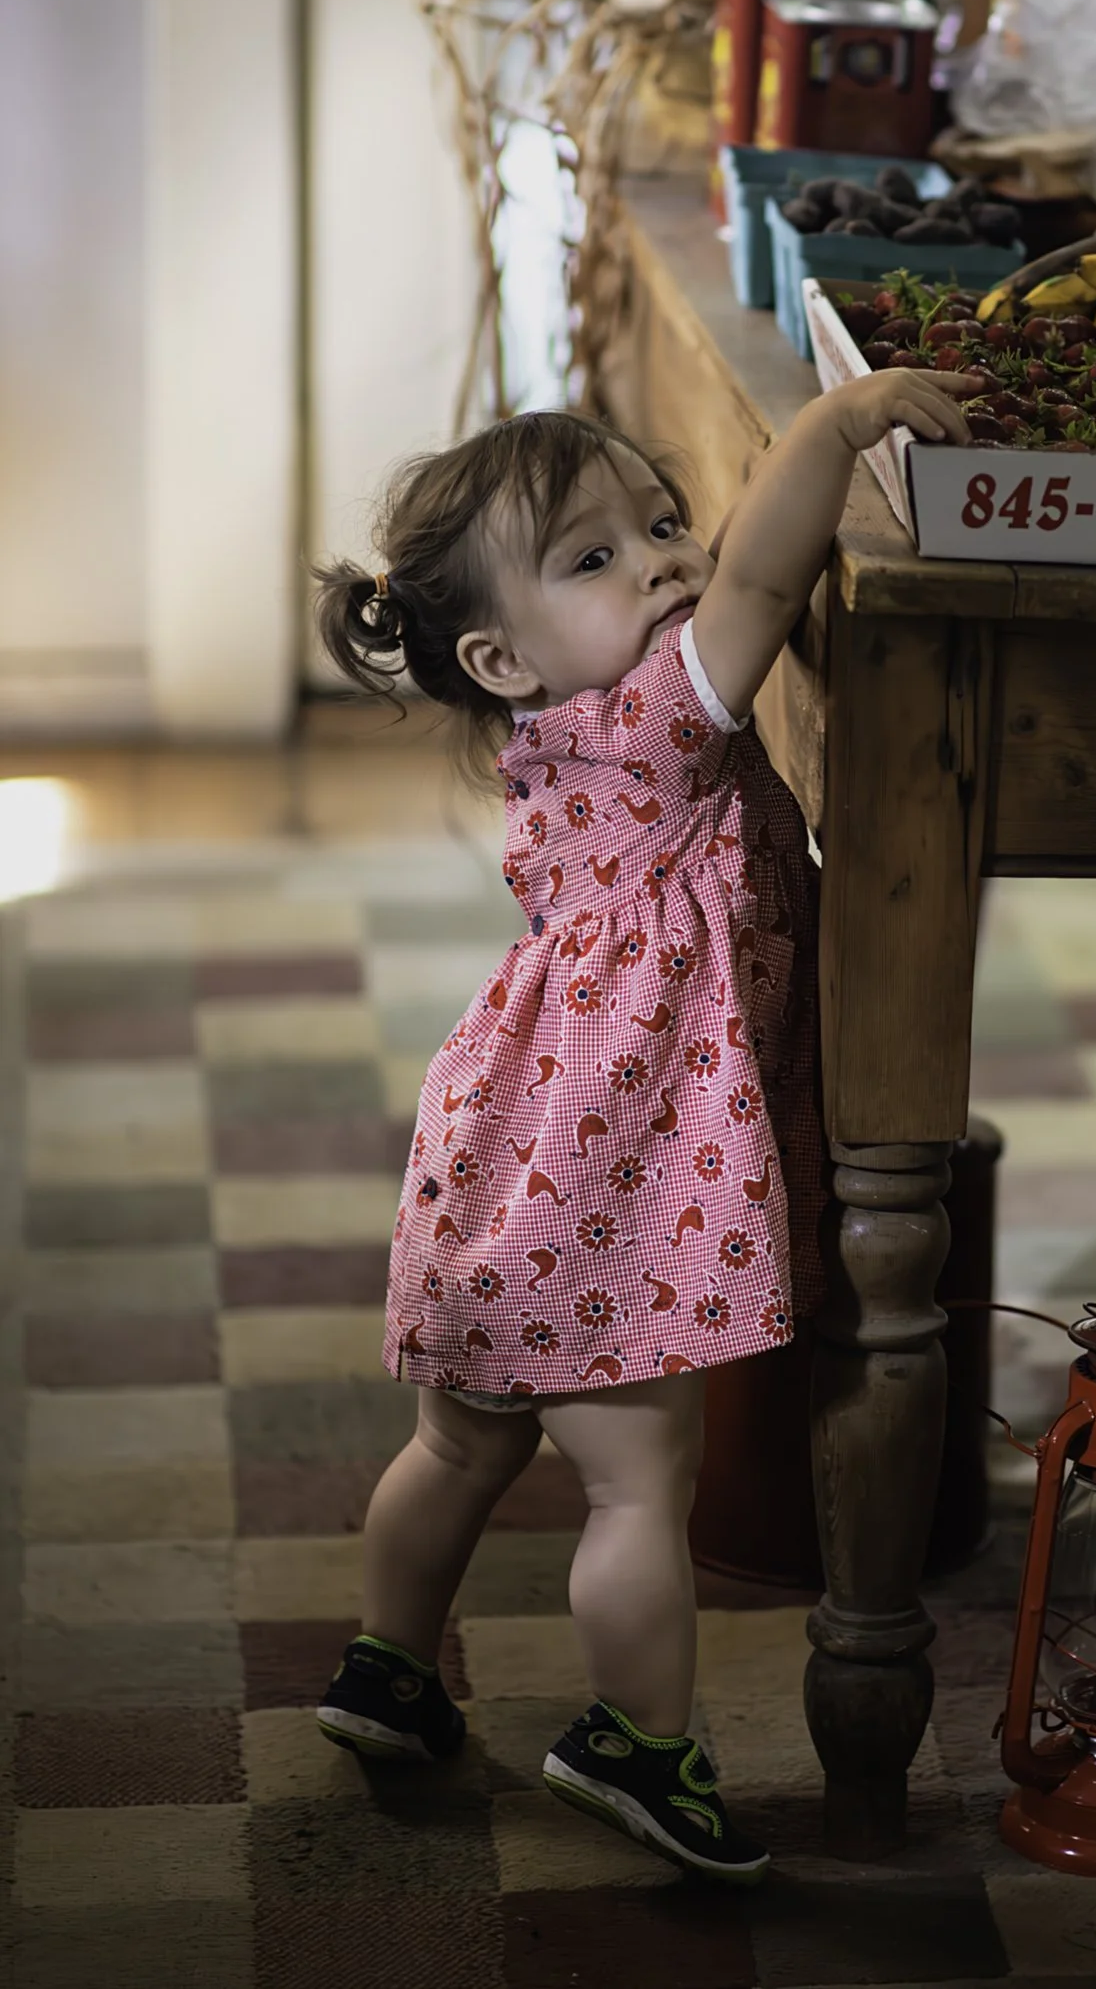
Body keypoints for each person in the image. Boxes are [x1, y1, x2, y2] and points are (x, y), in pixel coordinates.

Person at [309, 365, 975, 1882]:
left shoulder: (563, 747)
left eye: (661, 522)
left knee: (458, 1446)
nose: (667, 561)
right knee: (632, 1490)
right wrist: (837, 426)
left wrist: (665, 544)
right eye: (596, 558)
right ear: (503, 657)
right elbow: (762, 573)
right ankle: (634, 1743)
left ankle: (386, 1670)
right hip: (601, 1194)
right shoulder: (653, 729)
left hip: (512, 1151)